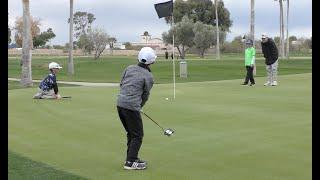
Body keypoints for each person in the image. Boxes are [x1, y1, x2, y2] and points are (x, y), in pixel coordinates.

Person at [116, 47, 157, 170]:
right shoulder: (149, 76)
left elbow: (122, 84)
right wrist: (139, 106)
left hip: (120, 104)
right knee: (138, 135)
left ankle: (131, 158)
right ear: (152, 61)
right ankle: (131, 161)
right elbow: (145, 95)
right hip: (131, 107)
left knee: (131, 133)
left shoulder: (129, 68)